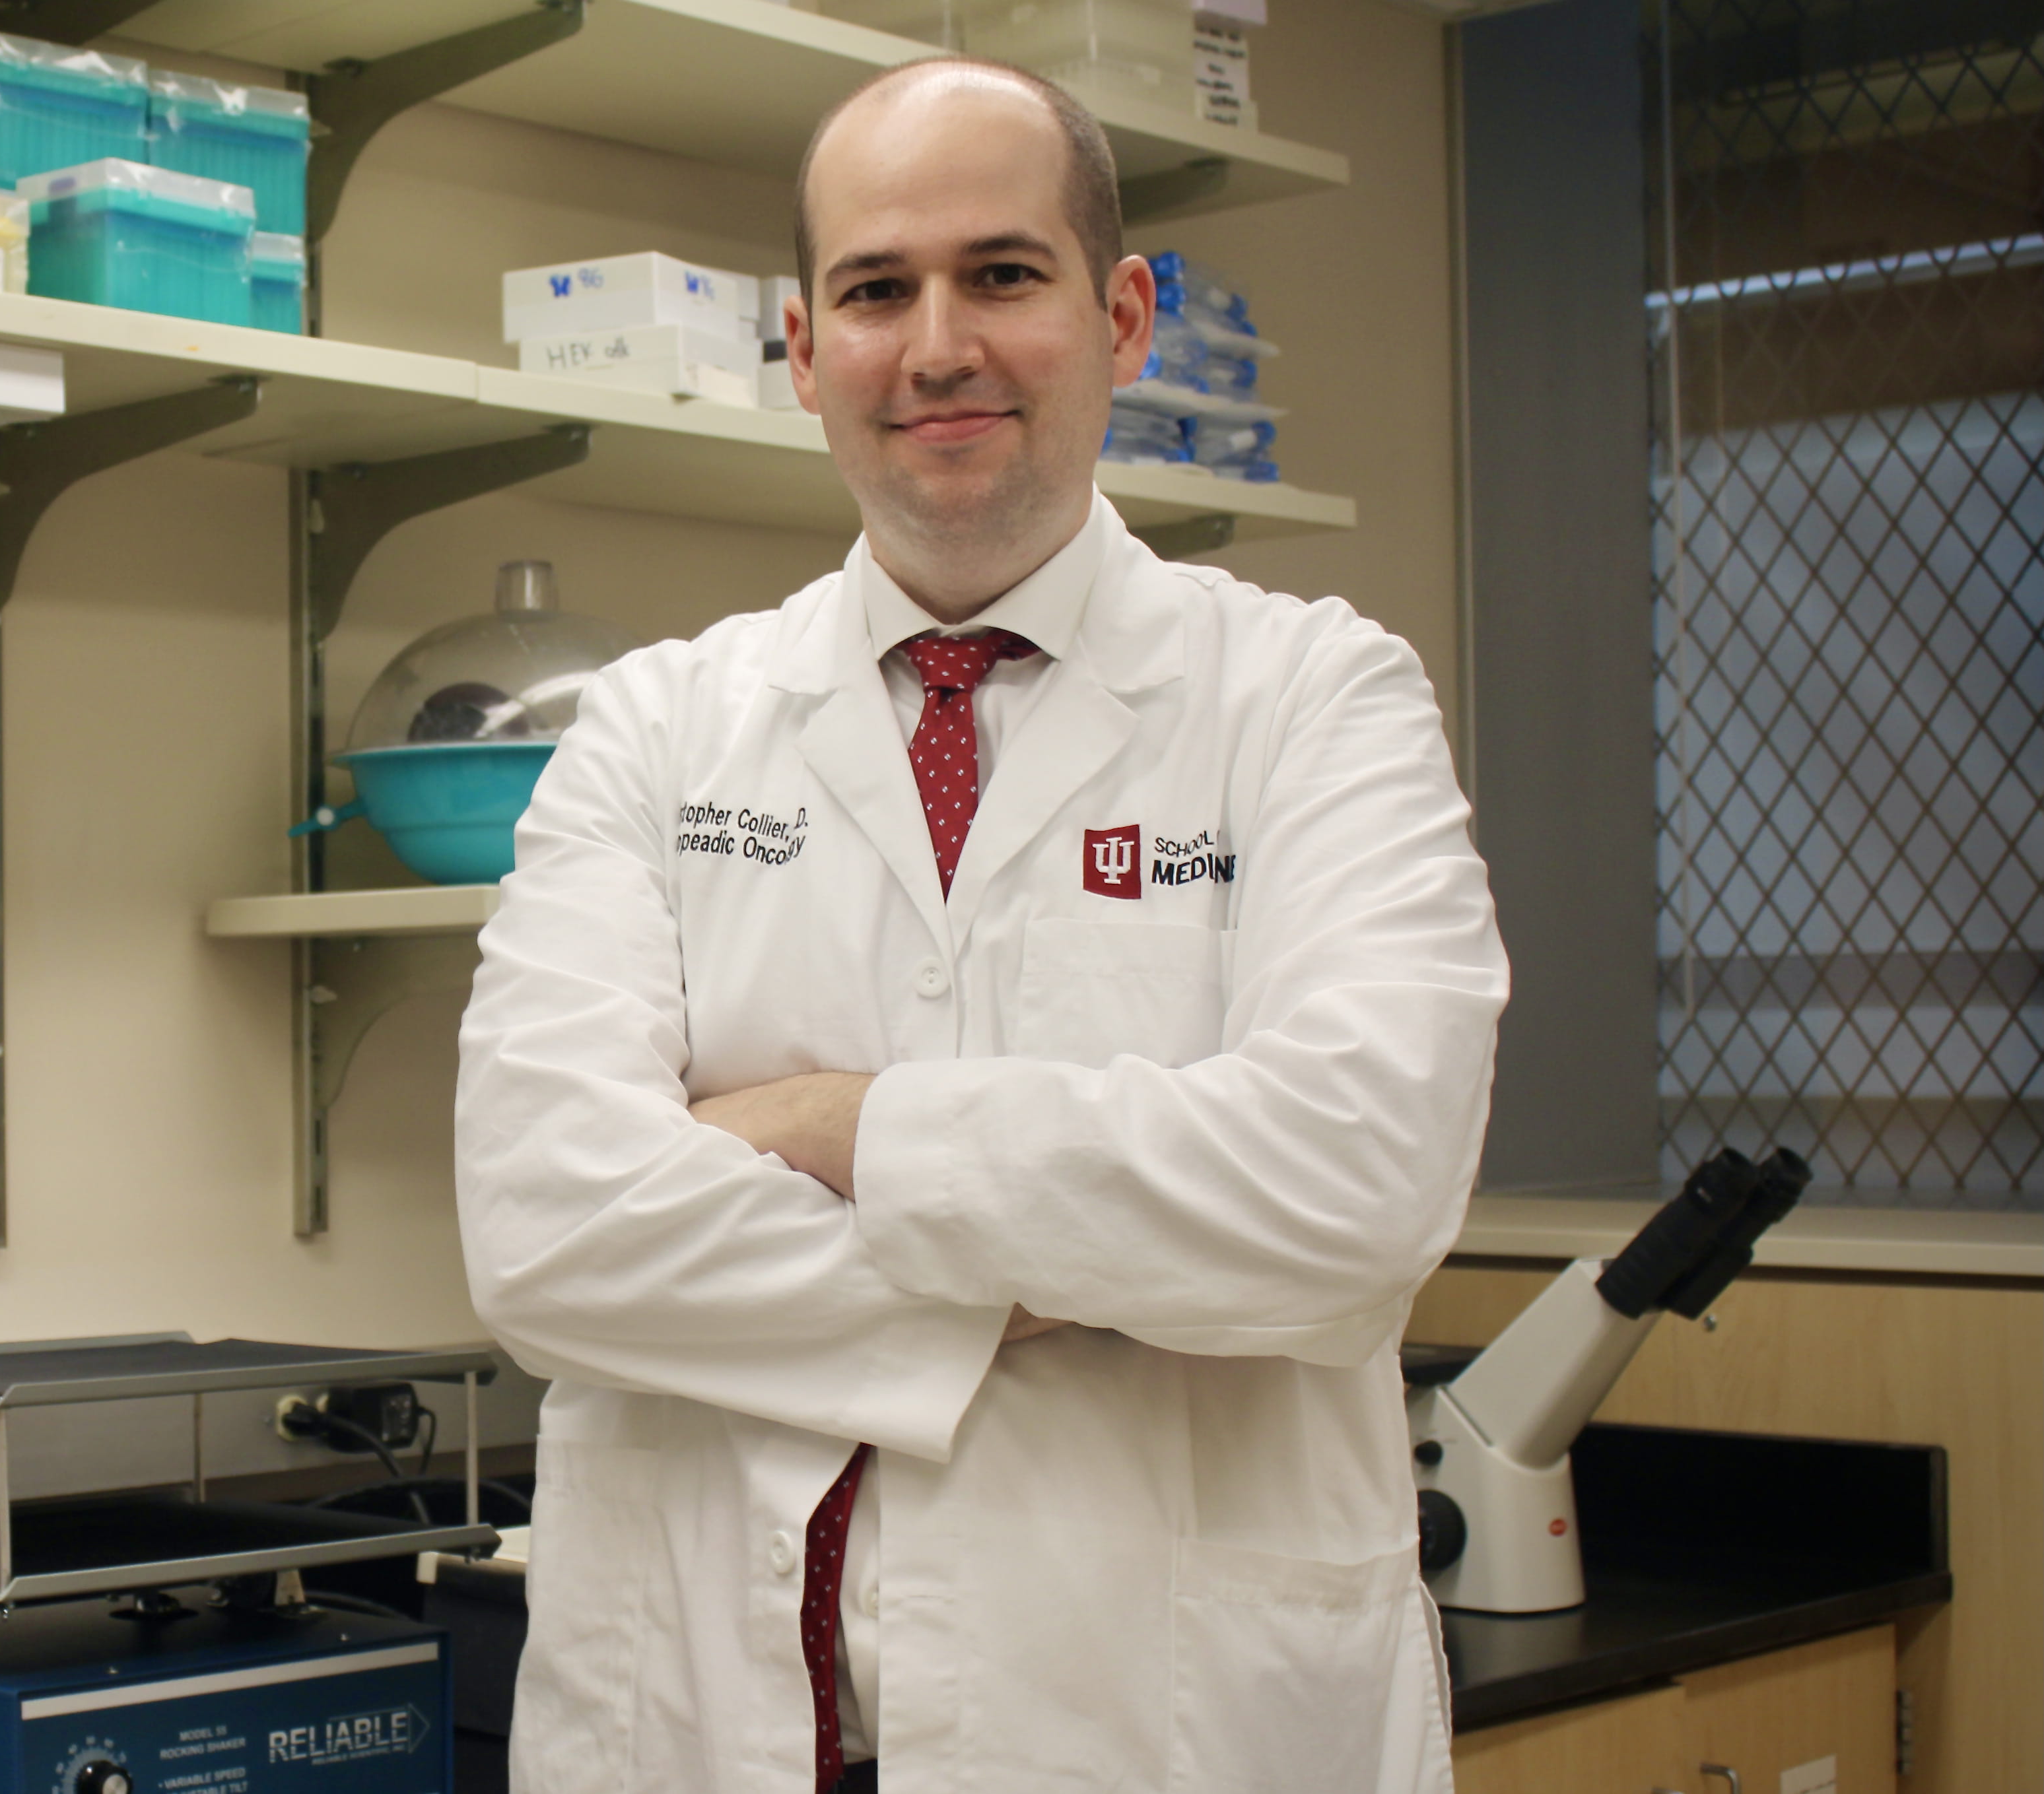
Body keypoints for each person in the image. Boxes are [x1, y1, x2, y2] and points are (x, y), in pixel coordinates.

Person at [452, 57, 1506, 1794]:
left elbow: (1352, 1189)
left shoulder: (1313, 695)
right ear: (802, 350)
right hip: (711, 1729)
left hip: (1163, 1731)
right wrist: (1058, 1266)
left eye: (999, 275)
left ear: (1120, 315)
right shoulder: (652, 730)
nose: (934, 343)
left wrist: (829, 1125)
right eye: (874, 290)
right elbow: (546, 1232)